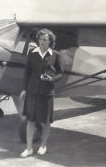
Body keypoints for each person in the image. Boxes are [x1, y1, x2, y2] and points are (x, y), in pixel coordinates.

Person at [19, 28, 64, 157]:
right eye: (40, 39)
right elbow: (27, 73)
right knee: (30, 120)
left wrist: (52, 79)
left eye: (45, 39)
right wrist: (24, 89)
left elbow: (61, 73)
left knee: (45, 122)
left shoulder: (56, 55)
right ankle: (28, 148)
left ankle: (43, 145)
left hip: (47, 93)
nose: (42, 42)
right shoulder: (32, 54)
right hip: (32, 92)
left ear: (50, 41)